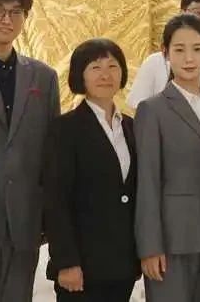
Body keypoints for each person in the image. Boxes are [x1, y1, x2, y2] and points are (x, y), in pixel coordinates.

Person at [134, 14, 200, 302]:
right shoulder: (152, 110)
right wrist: (150, 246)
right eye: (179, 49)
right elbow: (147, 181)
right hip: (172, 241)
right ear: (165, 53)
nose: (189, 58)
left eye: (197, 49)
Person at [44, 39, 140, 301]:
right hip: (81, 267)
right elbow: (55, 200)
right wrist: (66, 262)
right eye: (95, 67)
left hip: (123, 264)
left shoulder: (132, 127)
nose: (105, 74)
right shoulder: (65, 129)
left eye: (113, 66)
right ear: (80, 75)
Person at [0, 0, 61, 301]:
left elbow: (51, 152)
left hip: (24, 218)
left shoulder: (44, 78)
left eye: (15, 12)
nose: (6, 19)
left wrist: (48, 214)